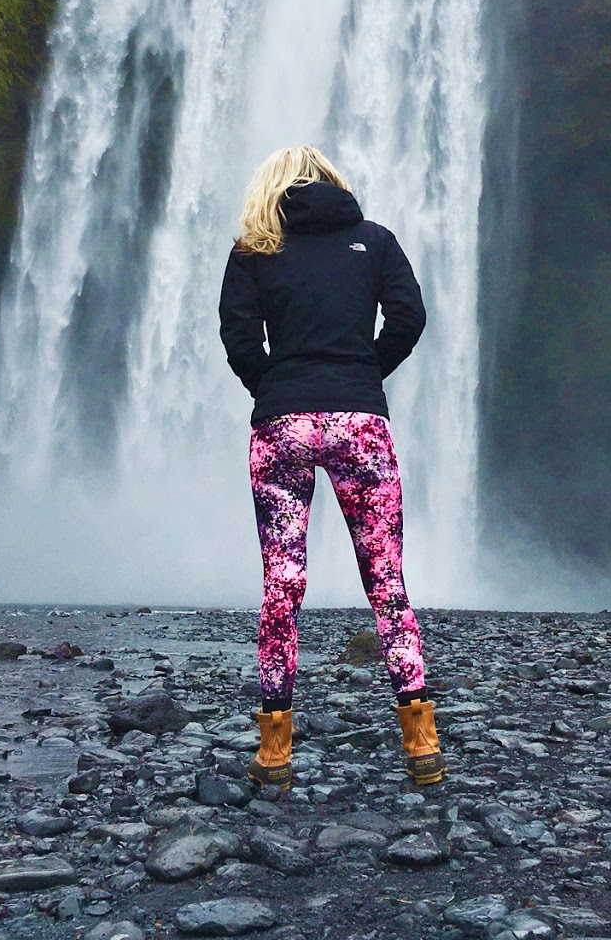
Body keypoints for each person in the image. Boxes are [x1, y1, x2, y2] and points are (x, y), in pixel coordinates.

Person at [218, 144, 446, 789]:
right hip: (359, 425)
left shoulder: (253, 249)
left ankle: (274, 753)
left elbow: (238, 335)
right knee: (387, 581)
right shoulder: (375, 241)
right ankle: (422, 744)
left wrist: (275, 386)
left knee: (283, 584)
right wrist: (364, 373)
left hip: (282, 426)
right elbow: (409, 317)